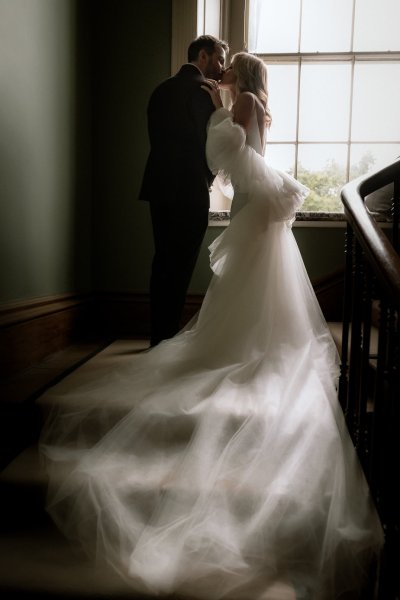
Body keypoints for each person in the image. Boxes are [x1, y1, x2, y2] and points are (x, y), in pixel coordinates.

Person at [40, 53, 384, 599]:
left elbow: (228, 156)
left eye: (230, 69)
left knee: (243, 284)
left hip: (250, 206)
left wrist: (218, 123)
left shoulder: (242, 102)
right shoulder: (256, 104)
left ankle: (243, 345)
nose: (221, 75)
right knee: (252, 283)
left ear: (242, 77)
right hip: (252, 205)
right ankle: (254, 340)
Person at [139, 35, 229, 347]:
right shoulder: (204, 91)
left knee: (162, 259)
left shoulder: (160, 89)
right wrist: (211, 174)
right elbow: (210, 144)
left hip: (159, 184)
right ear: (203, 57)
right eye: (218, 59)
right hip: (189, 187)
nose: (222, 67)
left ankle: (157, 334)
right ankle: (167, 337)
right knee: (181, 264)